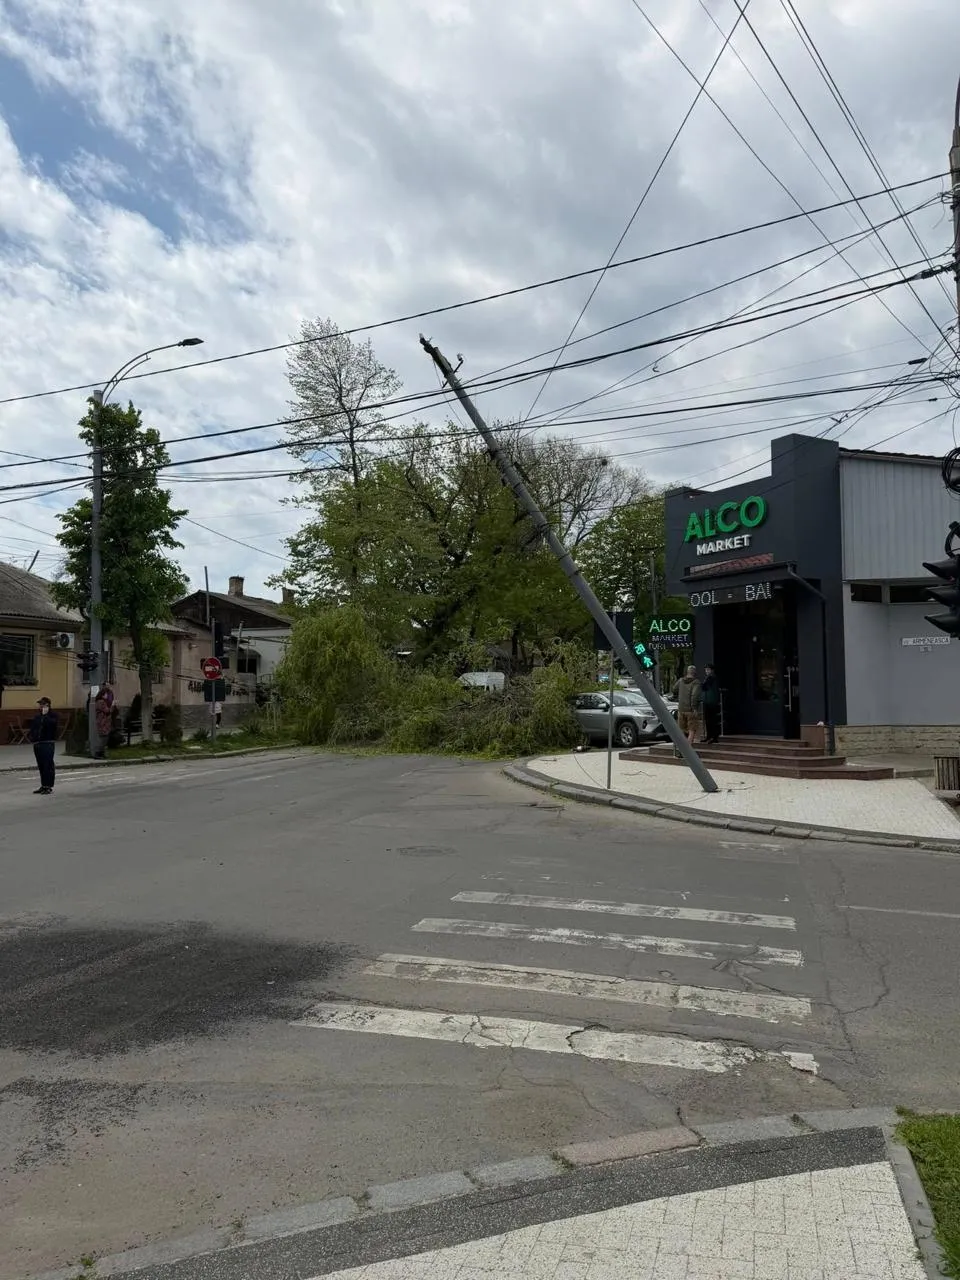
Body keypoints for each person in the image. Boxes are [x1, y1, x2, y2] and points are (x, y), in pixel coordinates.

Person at [29, 696, 59, 795]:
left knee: (48, 765)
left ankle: (48, 786)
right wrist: (33, 738)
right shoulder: (38, 716)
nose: (41, 707)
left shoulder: (53, 716)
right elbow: (33, 728)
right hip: (38, 743)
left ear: (48, 706)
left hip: (48, 743)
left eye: (43, 705)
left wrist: (45, 716)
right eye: (40, 705)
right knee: (41, 765)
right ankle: (43, 785)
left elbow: (52, 725)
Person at [672, 664, 703, 750]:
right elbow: (694, 695)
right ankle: (687, 750)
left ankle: (680, 749)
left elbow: (674, 689)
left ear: (687, 672)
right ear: (694, 672)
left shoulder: (681, 680)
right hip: (690, 710)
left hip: (681, 709)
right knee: (692, 730)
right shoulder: (696, 682)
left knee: (681, 729)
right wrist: (694, 708)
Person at [93, 682, 115, 758]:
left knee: (105, 737)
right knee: (104, 738)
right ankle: (98, 752)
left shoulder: (102, 702)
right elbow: (107, 711)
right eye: (105, 694)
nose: (107, 695)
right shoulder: (101, 702)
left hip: (104, 722)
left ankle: (102, 753)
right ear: (102, 695)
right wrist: (112, 706)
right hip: (102, 722)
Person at [701, 664, 721, 744]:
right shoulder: (708, 678)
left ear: (712, 670)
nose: (707, 671)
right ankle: (709, 736)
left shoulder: (712, 678)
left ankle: (714, 736)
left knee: (712, 720)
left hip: (712, 702)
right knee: (708, 720)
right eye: (706, 670)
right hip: (707, 701)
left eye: (708, 669)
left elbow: (704, 686)